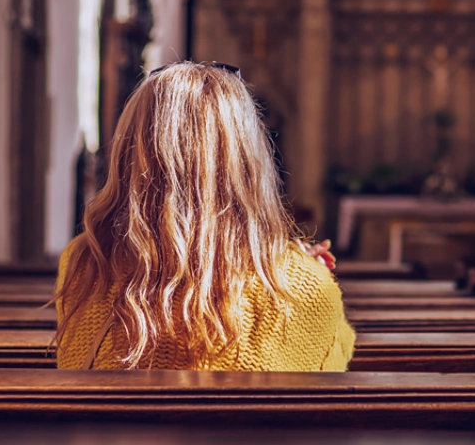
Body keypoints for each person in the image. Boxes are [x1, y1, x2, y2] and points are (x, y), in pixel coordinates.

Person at [52, 61, 354, 371]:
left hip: (105, 422)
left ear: (131, 156)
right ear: (248, 162)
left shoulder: (86, 264)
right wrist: (305, 272)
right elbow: (328, 368)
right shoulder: (306, 286)